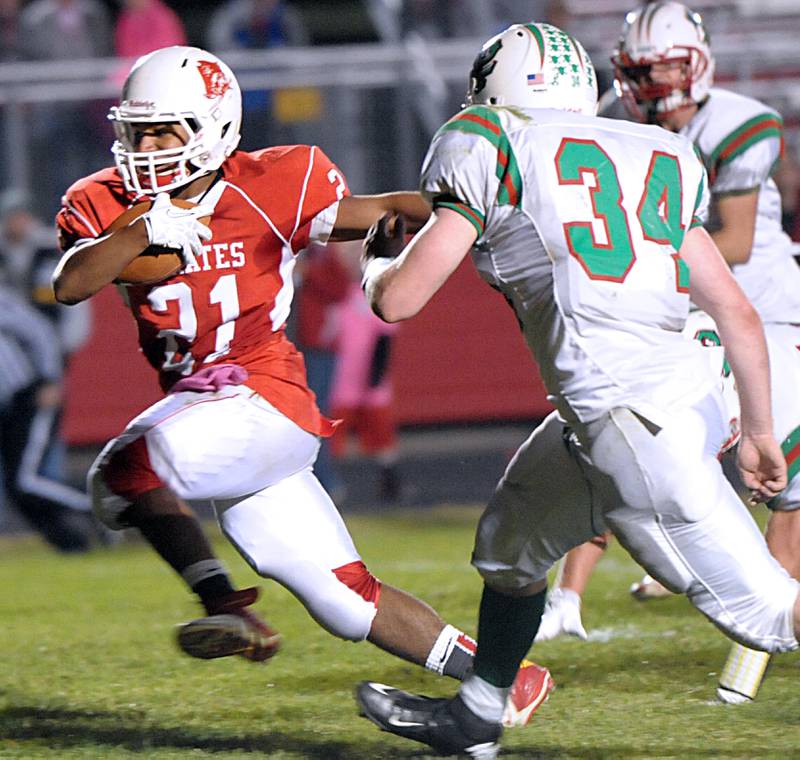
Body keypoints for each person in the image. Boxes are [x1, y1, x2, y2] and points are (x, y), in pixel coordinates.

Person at [51, 45, 552, 722]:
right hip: (210, 415)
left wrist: (473, 214)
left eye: (166, 130)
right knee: (347, 600)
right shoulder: (104, 201)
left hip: (264, 398)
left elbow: (383, 208)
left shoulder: (270, 183)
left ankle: (225, 607)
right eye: (137, 131)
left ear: (215, 128)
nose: (147, 146)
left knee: (121, 473)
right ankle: (503, 678)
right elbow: (71, 283)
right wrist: (139, 226)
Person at [353, 22, 800, 758]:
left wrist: (376, 265)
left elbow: (400, 301)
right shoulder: (657, 152)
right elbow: (735, 312)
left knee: (774, 618)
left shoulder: (489, 143)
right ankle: (479, 713)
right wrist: (754, 431)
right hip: (664, 393)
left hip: (633, 423)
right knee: (510, 549)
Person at [545, 0, 800, 705]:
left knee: (787, 485)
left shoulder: (740, 123)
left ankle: (745, 671)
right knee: (607, 442)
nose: (656, 85)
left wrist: (636, 269)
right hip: (671, 321)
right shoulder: (609, 123)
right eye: (642, 71)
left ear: (700, 63)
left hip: (766, 317)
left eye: (669, 68)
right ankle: (565, 600)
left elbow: (738, 247)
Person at [0, 284, 93, 552]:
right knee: (17, 487)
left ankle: (100, 505)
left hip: (27, 394)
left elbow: (38, 331)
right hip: (7, 406)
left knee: (25, 480)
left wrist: (50, 378)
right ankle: (72, 545)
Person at [328, 241, 403, 504]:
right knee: (330, 437)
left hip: (368, 382)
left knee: (380, 435)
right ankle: (328, 485)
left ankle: (390, 480)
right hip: (339, 383)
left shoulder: (370, 292)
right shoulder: (335, 293)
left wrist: (376, 376)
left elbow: (385, 338)